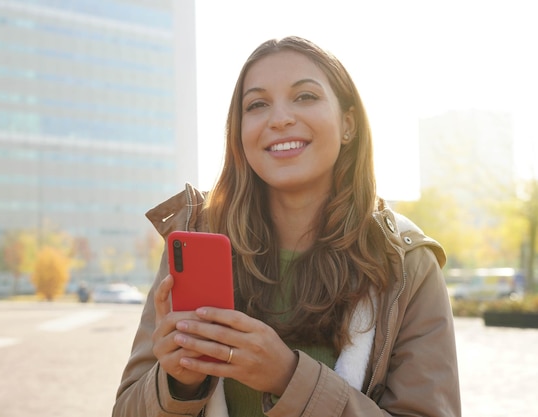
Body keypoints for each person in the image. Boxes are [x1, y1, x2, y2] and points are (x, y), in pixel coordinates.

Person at [112, 36, 461, 417]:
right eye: (257, 104)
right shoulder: (196, 243)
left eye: (305, 97)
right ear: (239, 133)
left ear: (348, 124)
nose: (279, 119)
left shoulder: (406, 263)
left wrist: (288, 378)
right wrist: (177, 382)